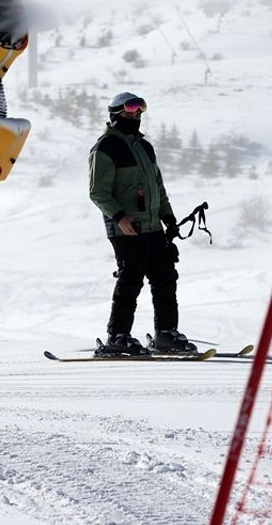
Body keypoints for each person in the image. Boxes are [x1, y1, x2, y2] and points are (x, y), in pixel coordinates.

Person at [88, 92, 194, 356]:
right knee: (131, 279)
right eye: (129, 114)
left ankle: (166, 335)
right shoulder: (105, 149)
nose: (135, 117)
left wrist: (168, 218)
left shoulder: (144, 147)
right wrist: (120, 217)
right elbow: (97, 192)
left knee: (165, 278)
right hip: (126, 228)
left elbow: (157, 186)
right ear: (115, 116)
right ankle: (118, 337)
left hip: (153, 227)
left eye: (138, 114)